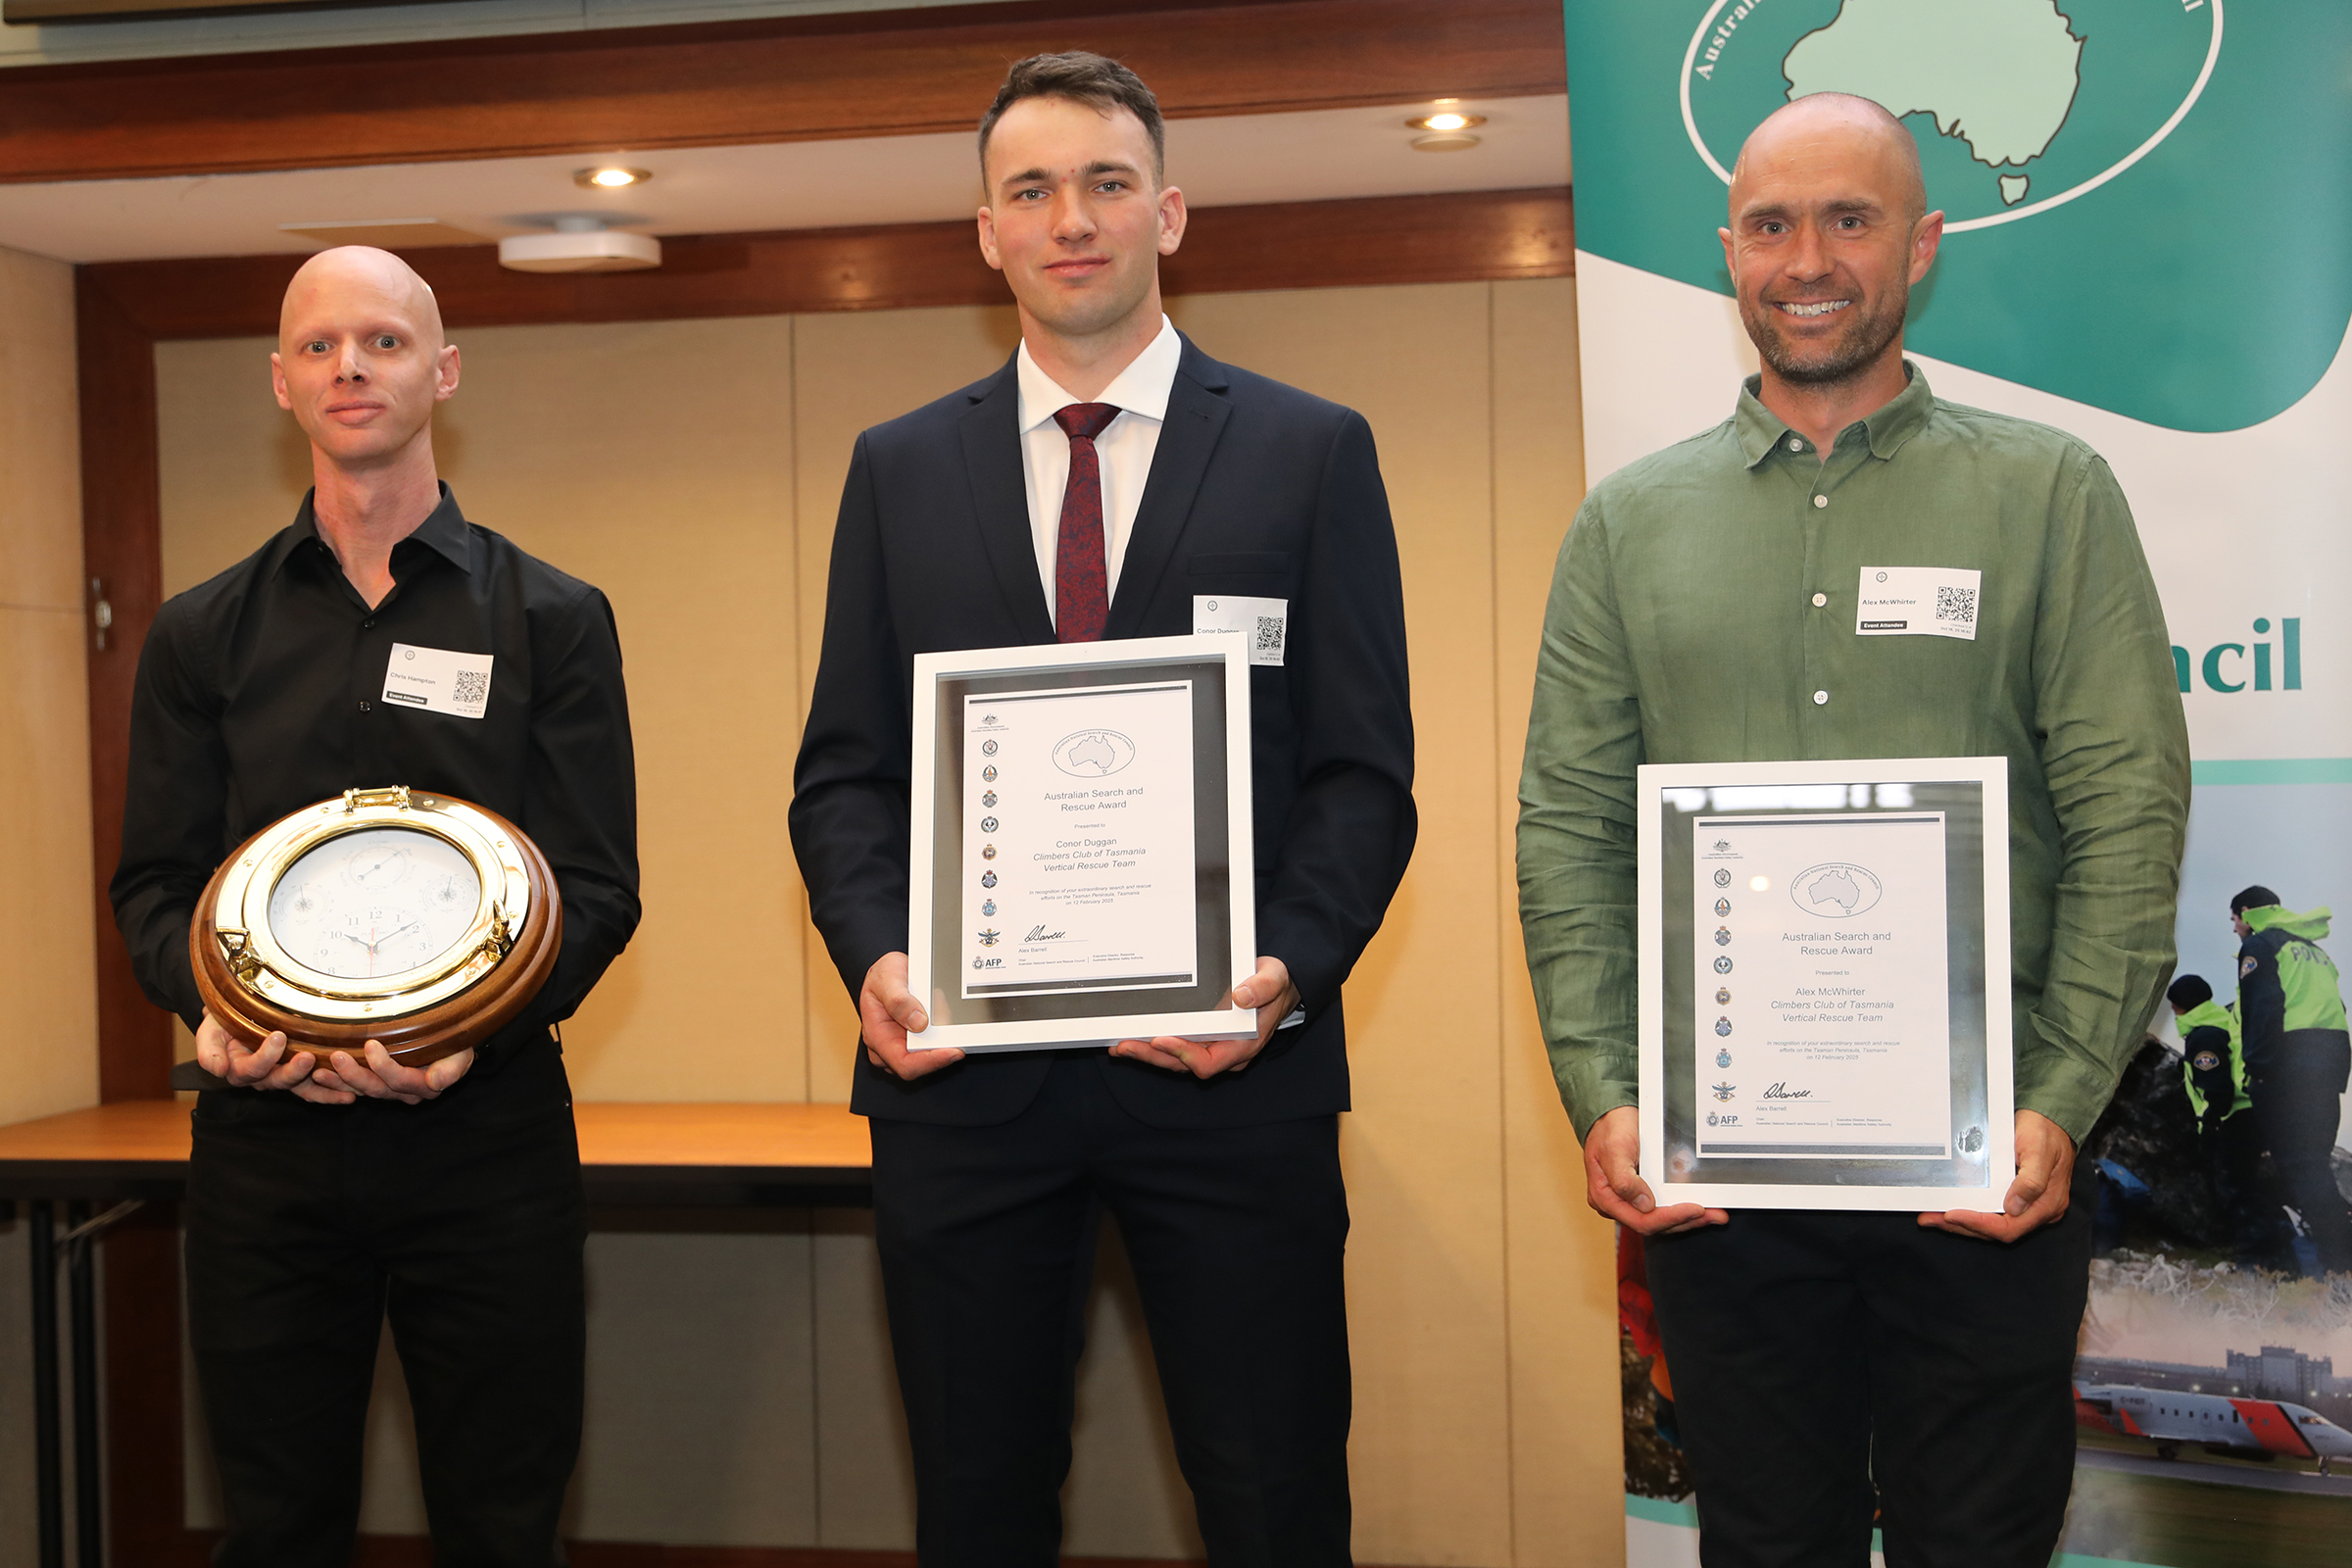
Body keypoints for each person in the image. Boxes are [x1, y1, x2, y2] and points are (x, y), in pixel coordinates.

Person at [1516, 94, 2187, 1566]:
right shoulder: (1627, 527)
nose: (1806, 257)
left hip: (1986, 1172)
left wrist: (2058, 1103)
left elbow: (2129, 813)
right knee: (1765, 1544)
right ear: (1728, 254)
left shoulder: (2050, 495)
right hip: (1727, 1183)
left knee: (1979, 1541)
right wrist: (1607, 1087)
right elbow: (1569, 827)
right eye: (1771, 224)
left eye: (1849, 218)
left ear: (1920, 246)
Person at [790, 51, 1414, 1566]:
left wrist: (1279, 976)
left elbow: (1362, 776)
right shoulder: (897, 470)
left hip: (1232, 1082)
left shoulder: (1308, 449)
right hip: (964, 1092)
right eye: (1032, 190)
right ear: (986, 232)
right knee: (977, 1506)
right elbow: (845, 775)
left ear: (1171, 214)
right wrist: (875, 956)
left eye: (1107, 183)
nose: (1071, 217)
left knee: (1274, 1502)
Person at [111, 247, 641, 1566]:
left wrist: (475, 1037)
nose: (353, 366)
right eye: (323, 345)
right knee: (277, 1526)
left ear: (442, 373)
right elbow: (153, 887)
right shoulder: (198, 634)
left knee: (505, 1526)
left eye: (387, 342)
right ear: (281, 381)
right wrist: (213, 1020)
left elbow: (595, 887)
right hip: (263, 1152)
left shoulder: (555, 619)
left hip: (488, 1141)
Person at [2230, 886, 2352, 1274]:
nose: (2234, 928)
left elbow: (2262, 1009)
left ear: (2246, 912)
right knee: (2314, 1168)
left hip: (2288, 1070)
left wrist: (2257, 1068)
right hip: (2328, 1067)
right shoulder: (2313, 949)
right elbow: (2339, 1007)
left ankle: (2340, 1274)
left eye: (2234, 919)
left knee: (2301, 1169)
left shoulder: (2261, 945)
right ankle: (2334, 1267)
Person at [2166, 973, 2278, 1268]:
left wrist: (2211, 1125)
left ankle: (2255, 1263)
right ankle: (2274, 1258)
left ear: (2181, 1006)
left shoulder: (2204, 1036)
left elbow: (2217, 1089)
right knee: (2252, 1189)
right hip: (2252, 1115)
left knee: (2238, 1192)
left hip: (2233, 1121)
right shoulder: (2223, 1022)